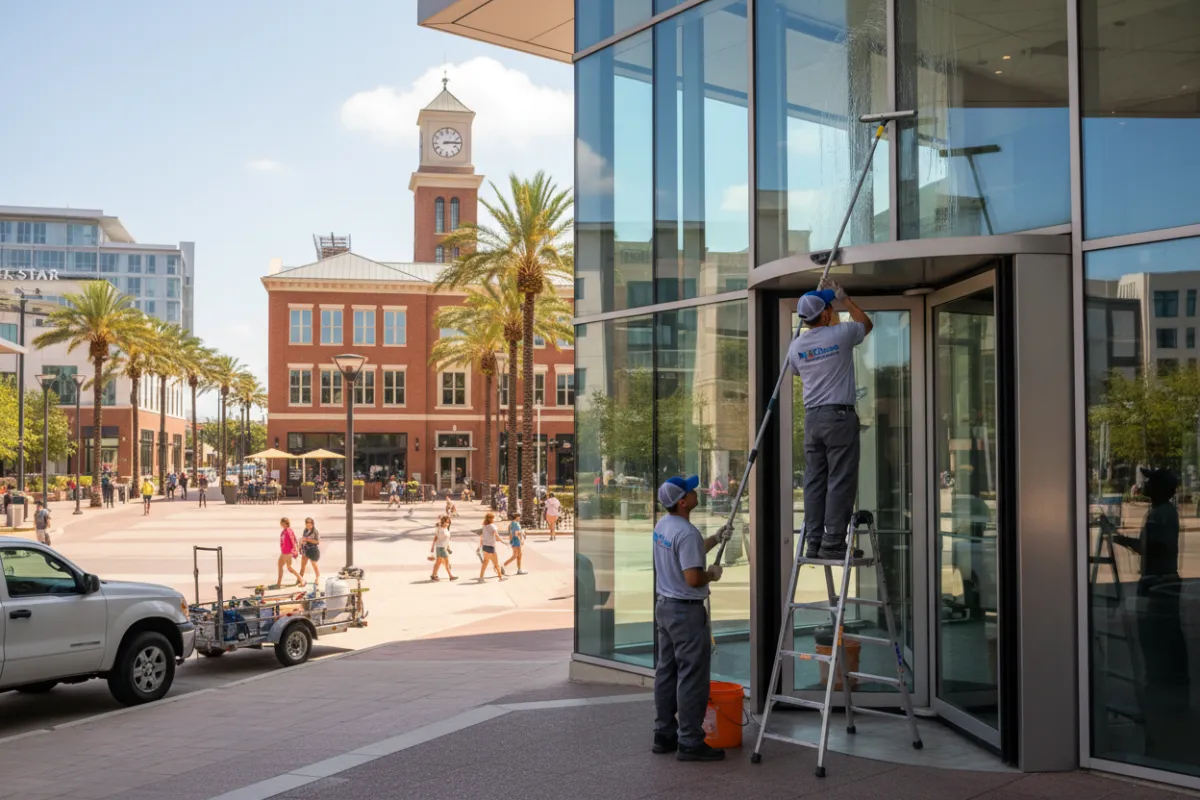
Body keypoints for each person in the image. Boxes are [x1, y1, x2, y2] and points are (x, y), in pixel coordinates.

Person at [787, 282, 872, 560]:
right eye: (829, 307)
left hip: (813, 420)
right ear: (824, 315)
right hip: (838, 417)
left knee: (814, 481)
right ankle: (833, 542)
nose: (832, 310)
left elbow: (798, 372)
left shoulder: (796, 346)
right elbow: (866, 323)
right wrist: (844, 298)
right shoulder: (842, 333)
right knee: (840, 480)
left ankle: (814, 541)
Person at [651, 475, 732, 762]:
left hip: (665, 607)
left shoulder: (663, 526)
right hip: (686, 612)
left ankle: (664, 734)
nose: (696, 491)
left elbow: (686, 554)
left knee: (667, 672)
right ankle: (690, 741)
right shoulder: (687, 533)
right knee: (692, 677)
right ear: (683, 501)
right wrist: (712, 574)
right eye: (691, 490)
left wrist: (715, 538)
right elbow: (693, 575)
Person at [274, 517, 303, 589]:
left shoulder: (288, 531)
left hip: (288, 552)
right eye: (282, 523)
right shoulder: (284, 531)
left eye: (284, 524)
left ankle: (301, 580)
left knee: (289, 567)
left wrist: (295, 551)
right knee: (281, 565)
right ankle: (278, 583)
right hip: (284, 551)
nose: (283, 525)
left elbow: (293, 540)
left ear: (287, 524)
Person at [477, 512, 506, 582]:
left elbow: (482, 536)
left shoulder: (484, 526)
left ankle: (481, 578)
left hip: (485, 546)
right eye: (493, 518)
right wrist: (503, 541)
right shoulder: (493, 526)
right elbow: (496, 536)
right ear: (491, 519)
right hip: (491, 547)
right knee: (495, 563)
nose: (494, 519)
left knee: (485, 563)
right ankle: (500, 578)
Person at [430, 514, 457, 581]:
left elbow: (446, 540)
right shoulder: (440, 528)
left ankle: (434, 575)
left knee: (438, 563)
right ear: (443, 522)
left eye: (448, 522)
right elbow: (435, 538)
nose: (447, 523)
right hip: (441, 548)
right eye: (446, 522)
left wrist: (448, 548)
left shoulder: (446, 529)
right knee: (446, 563)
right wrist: (432, 547)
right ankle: (451, 576)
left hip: (442, 548)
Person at [298, 517, 321, 586]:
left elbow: (317, 542)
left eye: (310, 523)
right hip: (305, 550)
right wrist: (300, 546)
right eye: (307, 523)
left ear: (312, 523)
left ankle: (317, 578)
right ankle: (300, 579)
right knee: (303, 566)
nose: (308, 524)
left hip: (312, 550)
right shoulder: (305, 530)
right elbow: (303, 538)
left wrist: (308, 540)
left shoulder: (315, 531)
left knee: (314, 564)